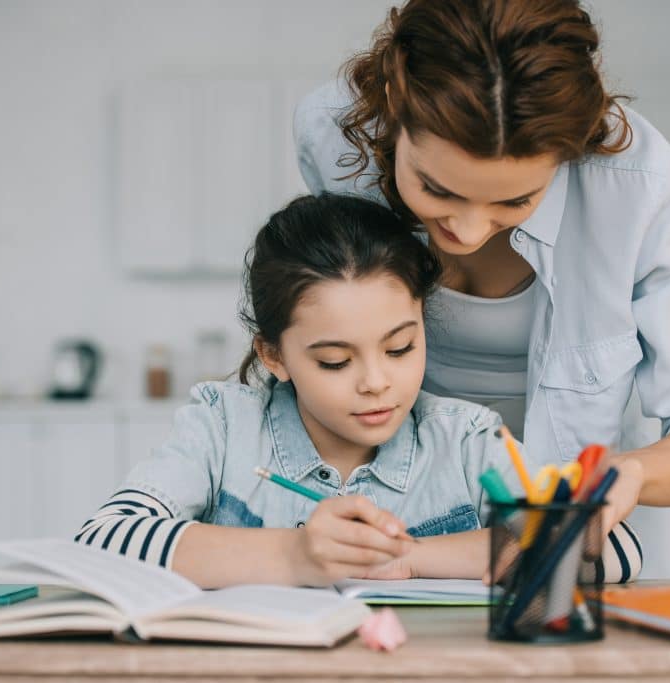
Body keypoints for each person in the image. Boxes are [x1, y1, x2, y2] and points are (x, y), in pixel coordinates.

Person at [294, 0, 670, 575]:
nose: (466, 230)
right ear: (395, 107)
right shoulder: (335, 139)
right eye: (436, 189)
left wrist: (631, 474)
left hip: (597, 532)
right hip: (410, 510)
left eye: (514, 201)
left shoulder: (641, 191)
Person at [75, 193, 641, 588]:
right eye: (334, 360)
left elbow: (610, 550)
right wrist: (296, 555)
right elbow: (102, 541)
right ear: (274, 354)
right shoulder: (223, 426)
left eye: (400, 348)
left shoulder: (465, 439)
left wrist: (413, 558)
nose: (377, 382)